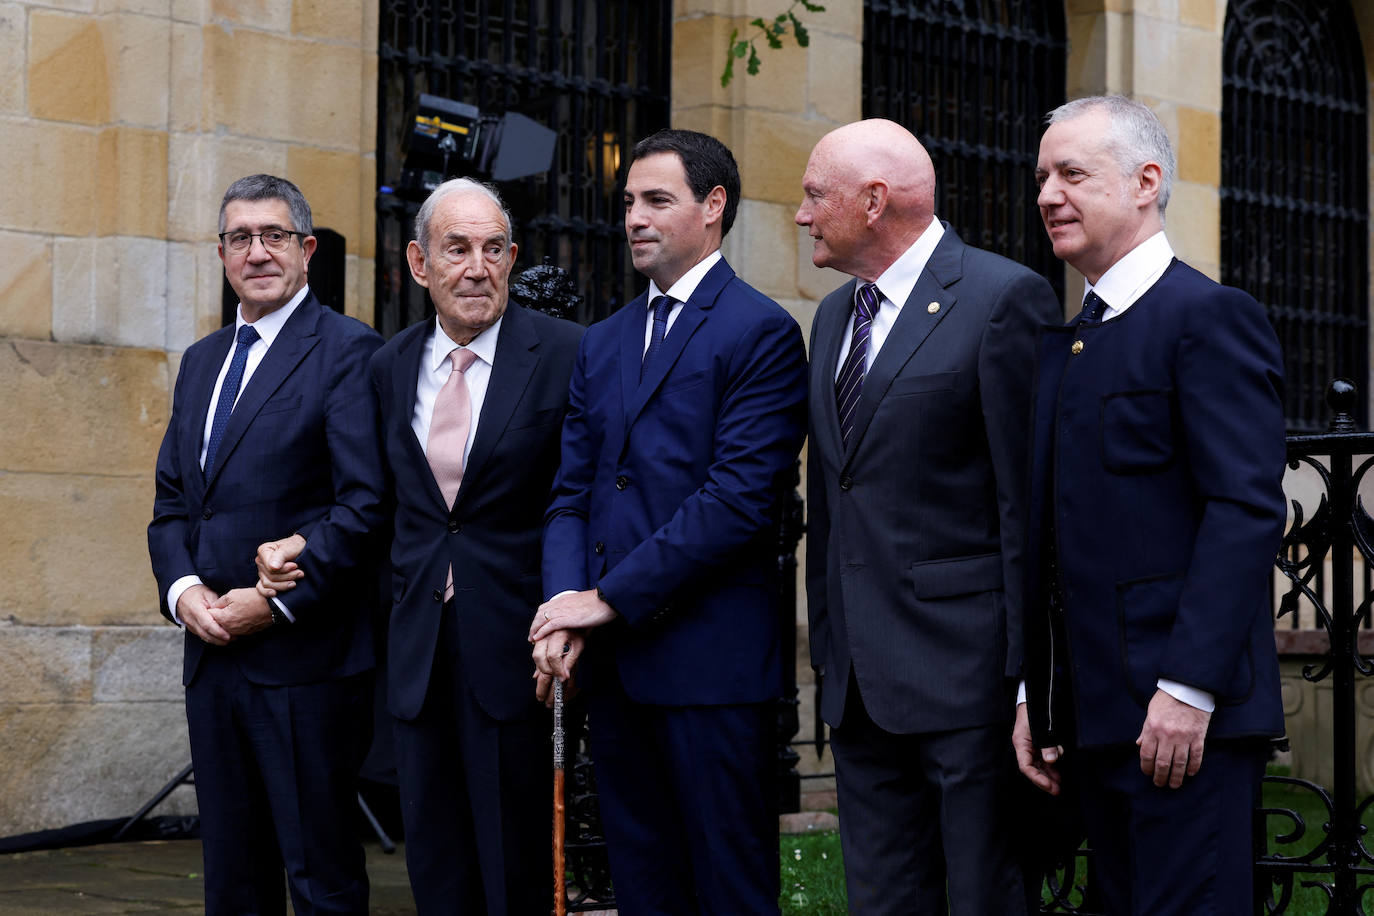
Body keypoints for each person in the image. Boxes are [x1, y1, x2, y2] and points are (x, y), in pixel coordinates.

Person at [258, 178, 583, 914]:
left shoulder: (566, 355)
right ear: (418, 263)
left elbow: (581, 498)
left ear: (512, 257)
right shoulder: (389, 366)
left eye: (493, 249)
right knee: (435, 869)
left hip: (517, 649)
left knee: (516, 871)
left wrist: (567, 613)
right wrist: (303, 549)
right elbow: (375, 505)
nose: (477, 267)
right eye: (457, 249)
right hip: (416, 653)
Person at [1014, 95, 1287, 915]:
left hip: (1182, 728)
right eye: (1040, 178)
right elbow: (1053, 541)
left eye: (1071, 173)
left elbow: (1243, 510)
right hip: (1093, 730)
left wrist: (1190, 689)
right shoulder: (1065, 347)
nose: (1048, 195)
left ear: (1145, 182)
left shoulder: (1207, 318)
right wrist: (1037, 693)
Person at [527, 128, 808, 914]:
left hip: (710, 672)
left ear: (713, 206)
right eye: (628, 203)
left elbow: (738, 501)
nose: (635, 219)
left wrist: (605, 597)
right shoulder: (604, 342)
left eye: (657, 200)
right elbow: (571, 492)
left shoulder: (760, 332)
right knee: (642, 886)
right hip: (613, 674)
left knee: (726, 889)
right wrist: (560, 610)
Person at [796, 119, 1060, 915]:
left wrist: (1029, 688)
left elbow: (1028, 506)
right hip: (859, 689)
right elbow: (835, 498)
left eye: (815, 195)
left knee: (984, 898)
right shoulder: (833, 318)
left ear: (874, 202)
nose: (802, 215)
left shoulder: (1003, 297)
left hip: (967, 683)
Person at [147, 174, 385, 915]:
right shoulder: (200, 363)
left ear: (307, 249)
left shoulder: (350, 352)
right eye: (241, 238)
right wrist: (186, 595)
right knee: (233, 881)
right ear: (221, 252)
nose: (257, 252)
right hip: (212, 659)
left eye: (274, 236)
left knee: (320, 879)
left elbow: (365, 506)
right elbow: (173, 506)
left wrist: (272, 604)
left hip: (304, 663)